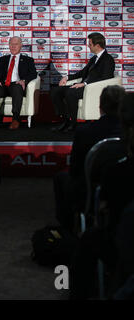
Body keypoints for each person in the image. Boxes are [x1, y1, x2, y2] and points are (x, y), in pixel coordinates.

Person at [69, 93, 134, 300]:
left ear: (101, 106)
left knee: (90, 238)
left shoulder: (116, 173)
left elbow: (105, 209)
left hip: (123, 247)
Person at [53, 85, 125, 231]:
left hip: (90, 190)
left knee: (61, 178)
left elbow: (75, 169)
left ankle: (68, 229)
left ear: (100, 106)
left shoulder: (85, 132)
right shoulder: (128, 131)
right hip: (126, 186)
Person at [51, 32, 115, 132]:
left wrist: (85, 84)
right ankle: (65, 120)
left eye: (90, 44)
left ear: (97, 45)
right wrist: (67, 77)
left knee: (70, 92)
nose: (88, 46)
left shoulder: (108, 59)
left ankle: (73, 124)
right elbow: (82, 73)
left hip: (94, 89)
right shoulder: (94, 58)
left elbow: (105, 78)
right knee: (56, 91)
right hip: (85, 86)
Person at [0, 36, 37, 130]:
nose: (13, 46)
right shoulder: (2, 59)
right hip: (3, 85)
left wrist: (24, 80)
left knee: (17, 87)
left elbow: (33, 74)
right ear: (8, 46)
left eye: (16, 44)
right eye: (11, 44)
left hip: (16, 84)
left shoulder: (28, 60)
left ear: (21, 46)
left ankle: (16, 119)